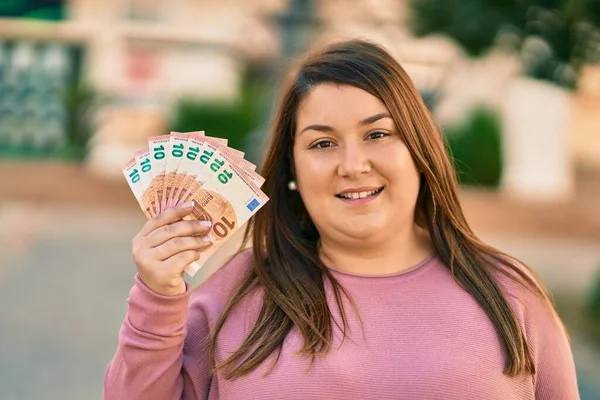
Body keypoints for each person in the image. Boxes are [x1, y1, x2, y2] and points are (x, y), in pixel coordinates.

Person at [103, 40, 579, 400]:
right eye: (322, 143)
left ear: (419, 151)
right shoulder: (235, 294)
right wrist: (157, 298)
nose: (353, 164)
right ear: (291, 171)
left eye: (377, 134)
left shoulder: (509, 293)